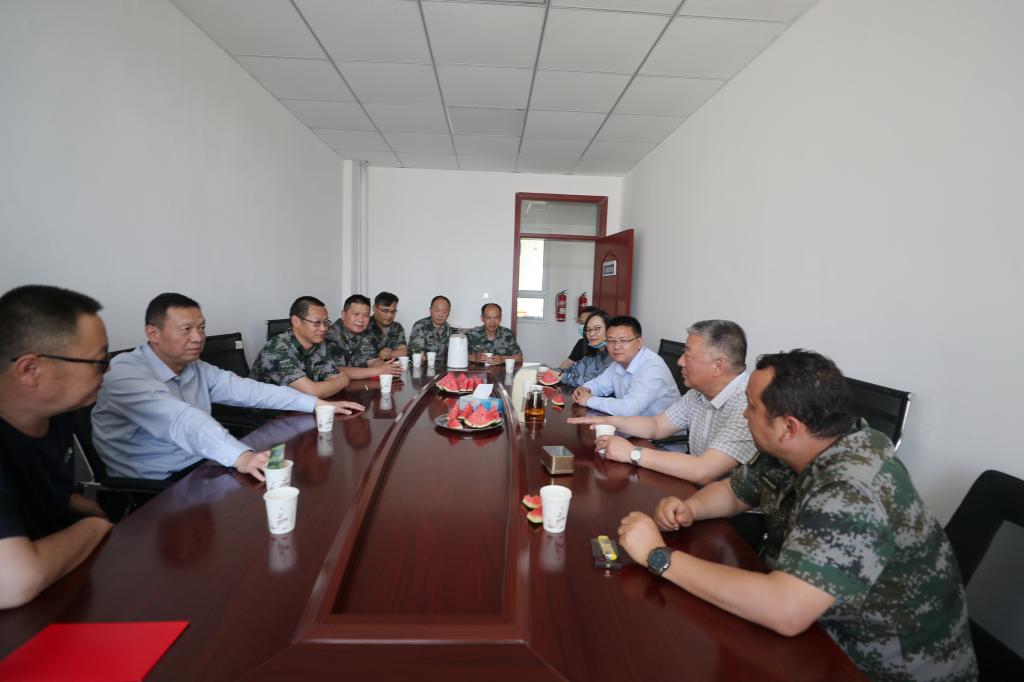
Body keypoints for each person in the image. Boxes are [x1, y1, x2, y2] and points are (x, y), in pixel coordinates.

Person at [617, 350, 977, 681]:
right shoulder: (807, 442)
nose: (744, 414)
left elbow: (785, 610)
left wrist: (658, 556)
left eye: (751, 407)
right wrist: (691, 508)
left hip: (873, 665)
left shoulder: (851, 488)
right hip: (816, 632)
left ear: (788, 427)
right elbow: (737, 491)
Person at [92, 293, 364, 481]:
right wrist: (241, 456)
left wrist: (317, 404)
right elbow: (182, 420)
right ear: (153, 333)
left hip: (206, 463)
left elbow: (251, 390)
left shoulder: (195, 367)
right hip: (157, 484)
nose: (198, 338)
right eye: (186, 330)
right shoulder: (125, 373)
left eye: (201, 328)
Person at [0, 285, 114, 609]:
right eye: (99, 361)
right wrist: (94, 527)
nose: (108, 370)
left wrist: (77, 503)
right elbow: (14, 580)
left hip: (59, 587)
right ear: (31, 370)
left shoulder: (58, 412)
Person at [570, 320, 755, 485]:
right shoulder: (697, 393)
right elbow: (655, 425)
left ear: (718, 366)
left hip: (730, 504)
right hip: (697, 488)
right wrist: (608, 421)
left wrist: (632, 453)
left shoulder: (748, 404)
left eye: (688, 355)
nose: (680, 362)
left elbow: (704, 471)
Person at [570, 316, 678, 417]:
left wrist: (589, 400)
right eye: (611, 341)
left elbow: (628, 409)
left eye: (623, 340)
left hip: (660, 430)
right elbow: (599, 384)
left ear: (639, 342)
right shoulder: (618, 362)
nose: (616, 346)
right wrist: (585, 390)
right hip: (631, 424)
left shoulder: (652, 367)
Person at [250, 296, 350, 398]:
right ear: (296, 321)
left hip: (301, 405)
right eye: (317, 322)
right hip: (269, 407)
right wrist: (343, 380)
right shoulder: (277, 349)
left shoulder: (319, 342)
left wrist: (339, 381)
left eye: (326, 322)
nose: (323, 328)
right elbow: (312, 392)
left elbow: (334, 377)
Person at [326, 294, 402, 380]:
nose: (361, 320)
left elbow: (372, 360)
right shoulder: (330, 336)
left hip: (360, 385)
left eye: (365, 315)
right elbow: (337, 371)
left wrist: (386, 367)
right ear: (343, 314)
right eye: (356, 314)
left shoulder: (365, 333)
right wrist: (379, 370)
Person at [556, 309, 612, 387]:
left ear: (609, 329)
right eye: (588, 330)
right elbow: (574, 369)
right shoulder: (593, 355)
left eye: (597, 329)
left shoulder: (614, 356)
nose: (591, 334)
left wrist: (561, 376)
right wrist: (552, 372)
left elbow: (595, 381)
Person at [367, 291, 407, 361]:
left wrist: (389, 354)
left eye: (393, 312)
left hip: (393, 366)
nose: (390, 315)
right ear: (374, 308)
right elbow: (361, 356)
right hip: (371, 367)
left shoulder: (397, 327)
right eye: (385, 311)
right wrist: (378, 356)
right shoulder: (364, 325)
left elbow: (403, 352)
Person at [559, 305, 600, 370]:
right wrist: (555, 373)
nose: (584, 326)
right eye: (581, 323)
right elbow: (568, 362)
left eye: (588, 322)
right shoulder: (582, 343)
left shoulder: (607, 346)